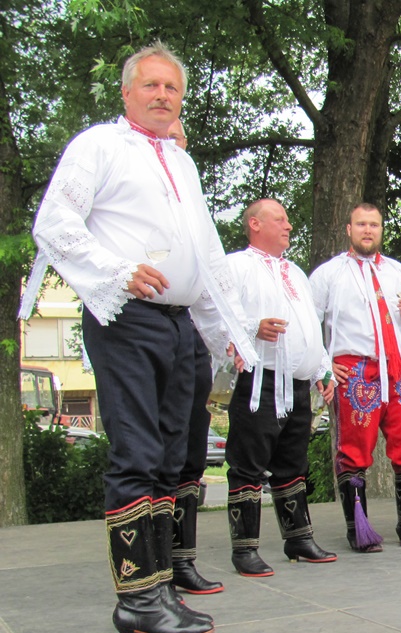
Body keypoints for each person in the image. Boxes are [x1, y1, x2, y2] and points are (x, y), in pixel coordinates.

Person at [28, 43, 259, 633]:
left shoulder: (181, 163)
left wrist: (227, 332)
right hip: (126, 317)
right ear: (127, 92)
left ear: (181, 99)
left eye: (171, 87)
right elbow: (54, 223)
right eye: (150, 85)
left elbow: (205, 256)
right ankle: (136, 599)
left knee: (170, 457)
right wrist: (118, 270)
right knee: (136, 452)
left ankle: (158, 588)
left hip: (179, 324)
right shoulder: (99, 145)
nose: (161, 95)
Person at [309, 203, 401, 552]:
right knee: (354, 451)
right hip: (355, 369)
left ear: (381, 230)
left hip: (398, 367)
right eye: (361, 224)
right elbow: (307, 321)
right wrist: (323, 366)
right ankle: (358, 530)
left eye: (374, 225)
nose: (368, 230)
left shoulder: (397, 271)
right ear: (348, 229)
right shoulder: (328, 274)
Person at [223, 198, 337, 575]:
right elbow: (218, 314)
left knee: (293, 461)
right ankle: (244, 549)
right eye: (280, 219)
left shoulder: (296, 272)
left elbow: (309, 326)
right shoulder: (236, 266)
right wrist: (251, 328)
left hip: (297, 383)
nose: (288, 225)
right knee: (249, 464)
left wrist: (322, 370)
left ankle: (298, 539)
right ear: (255, 224)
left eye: (288, 219)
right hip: (259, 380)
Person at [166, 118, 223, 596]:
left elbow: (211, 278)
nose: (173, 145)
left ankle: (181, 559)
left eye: (179, 139)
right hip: (144, 324)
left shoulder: (192, 203)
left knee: (190, 453)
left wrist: (229, 341)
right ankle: (152, 568)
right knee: (156, 452)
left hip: (192, 335)